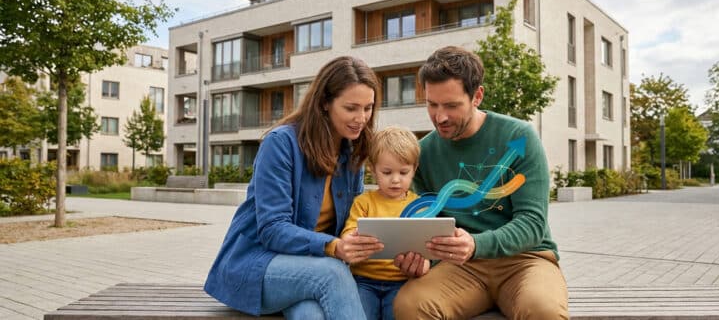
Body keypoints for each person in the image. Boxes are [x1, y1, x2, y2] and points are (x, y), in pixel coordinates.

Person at [393, 46, 569, 319]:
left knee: (543, 310)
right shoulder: (423, 153)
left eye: (451, 106)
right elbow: (432, 224)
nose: (440, 117)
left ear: (477, 96)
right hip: (460, 266)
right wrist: (421, 258)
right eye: (432, 104)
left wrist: (476, 244)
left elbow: (533, 224)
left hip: (526, 260)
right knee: (410, 304)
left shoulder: (519, 138)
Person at [204, 56, 385, 319]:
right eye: (351, 108)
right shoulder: (281, 144)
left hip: (309, 270)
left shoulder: (352, 151)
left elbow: (350, 222)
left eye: (368, 108)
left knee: (310, 314)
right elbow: (272, 229)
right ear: (325, 102)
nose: (361, 118)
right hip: (257, 265)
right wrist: (334, 247)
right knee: (332, 273)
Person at [341, 126, 429, 320]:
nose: (395, 180)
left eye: (403, 172)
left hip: (402, 282)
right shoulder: (363, 202)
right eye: (387, 172)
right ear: (373, 169)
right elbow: (349, 234)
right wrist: (352, 239)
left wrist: (424, 264)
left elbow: (425, 247)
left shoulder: (419, 207)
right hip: (363, 281)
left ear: (414, 170)